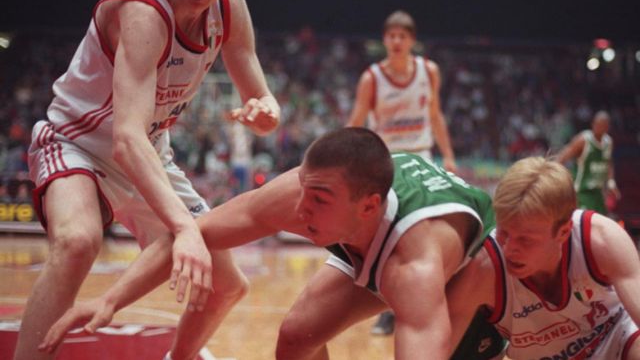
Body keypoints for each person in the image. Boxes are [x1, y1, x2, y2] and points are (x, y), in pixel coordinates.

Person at [38, 127, 501, 360]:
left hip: (474, 265)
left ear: (367, 205)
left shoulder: (413, 268)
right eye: (304, 189)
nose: (301, 211)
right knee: (296, 339)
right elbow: (192, 233)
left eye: (319, 200)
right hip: (375, 239)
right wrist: (110, 299)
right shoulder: (304, 194)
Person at [15, 0, 280, 359]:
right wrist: (183, 228)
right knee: (77, 242)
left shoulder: (229, 7)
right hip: (77, 143)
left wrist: (267, 112)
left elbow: (261, 96)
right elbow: (126, 139)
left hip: (149, 151)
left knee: (226, 284)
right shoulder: (142, 10)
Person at [447, 157, 640, 359]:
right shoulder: (484, 267)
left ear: (563, 232)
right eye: (504, 232)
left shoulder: (601, 240)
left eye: (525, 240)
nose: (509, 248)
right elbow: (435, 342)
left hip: (615, 342)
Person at [347, 9, 457, 336]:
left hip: (422, 159)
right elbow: (356, 121)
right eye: (391, 36)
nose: (396, 41)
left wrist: (448, 155)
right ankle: (387, 309)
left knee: (424, 238)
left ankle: (427, 305)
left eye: (402, 36)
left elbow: (435, 115)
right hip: (386, 163)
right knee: (386, 242)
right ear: (385, 40)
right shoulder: (372, 78)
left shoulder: (428, 71)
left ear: (412, 41)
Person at [556, 110, 620, 215]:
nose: (597, 127)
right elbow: (562, 157)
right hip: (581, 192)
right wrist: (554, 177)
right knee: (583, 225)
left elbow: (609, 163)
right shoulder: (583, 140)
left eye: (602, 125)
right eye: (596, 124)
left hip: (597, 193)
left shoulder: (609, 142)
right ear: (592, 124)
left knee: (600, 224)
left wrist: (611, 182)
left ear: (607, 127)